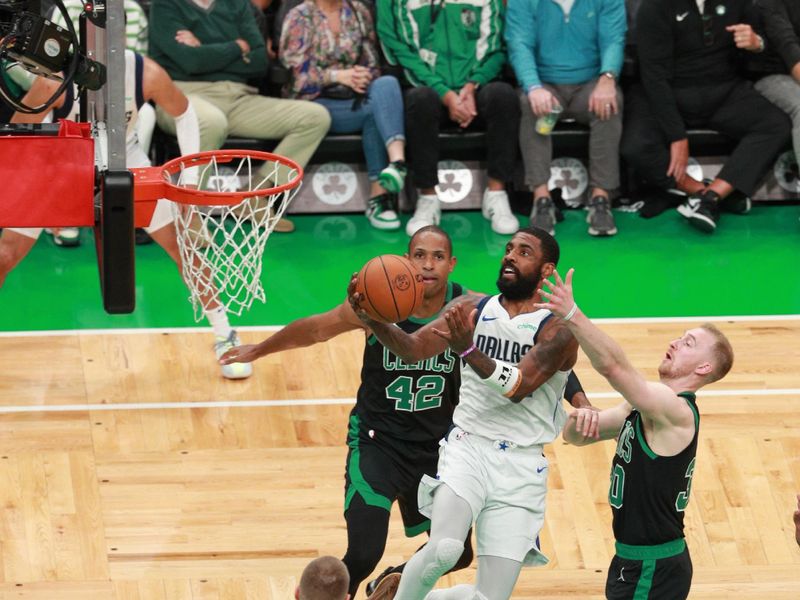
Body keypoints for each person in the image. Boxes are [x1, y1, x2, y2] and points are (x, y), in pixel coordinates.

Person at [347, 227, 581, 600]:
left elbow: (519, 386)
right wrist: (371, 316)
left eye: (524, 252)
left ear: (546, 269)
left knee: (488, 597)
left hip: (521, 467)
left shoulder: (560, 331)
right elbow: (411, 349)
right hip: (467, 446)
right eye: (508, 248)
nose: (509, 255)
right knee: (445, 548)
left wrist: (468, 350)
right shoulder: (471, 310)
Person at [2, 51, 254, 380]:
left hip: (128, 162)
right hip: (62, 163)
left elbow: (185, 113)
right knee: (5, 254)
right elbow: (17, 134)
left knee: (185, 249)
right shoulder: (54, 80)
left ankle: (225, 334)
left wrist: (189, 181)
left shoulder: (145, 72)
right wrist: (43, 191)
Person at [537, 269, 734, 599]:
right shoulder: (641, 408)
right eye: (680, 336)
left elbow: (614, 367)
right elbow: (578, 436)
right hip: (633, 561)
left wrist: (572, 315)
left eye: (689, 343)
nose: (675, 342)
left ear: (703, 368)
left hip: (653, 567)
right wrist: (580, 418)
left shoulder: (676, 411)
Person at [148, 0, 332, 233]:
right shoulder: (166, 5)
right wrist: (238, 47)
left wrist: (202, 47)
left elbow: (258, 63)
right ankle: (190, 212)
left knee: (315, 117)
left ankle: (253, 197)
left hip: (239, 96)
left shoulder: (238, 5)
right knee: (210, 121)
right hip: (184, 95)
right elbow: (189, 62)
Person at [620, 0, 791, 233]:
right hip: (667, 92)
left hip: (722, 89)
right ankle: (702, 192)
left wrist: (757, 43)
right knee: (635, 146)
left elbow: (767, 42)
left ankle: (712, 197)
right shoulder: (656, 6)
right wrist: (677, 136)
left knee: (775, 125)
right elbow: (654, 76)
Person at [376, 0, 521, 237]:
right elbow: (404, 52)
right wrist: (445, 93)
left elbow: (497, 48)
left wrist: (472, 85)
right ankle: (427, 198)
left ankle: (496, 194)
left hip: (473, 88)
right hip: (430, 87)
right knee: (420, 100)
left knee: (503, 96)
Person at [280, 0, 408, 230]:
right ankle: (382, 195)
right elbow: (296, 77)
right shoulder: (300, 16)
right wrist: (337, 76)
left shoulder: (359, 12)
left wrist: (362, 75)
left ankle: (396, 166)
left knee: (386, 85)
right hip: (313, 106)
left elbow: (372, 63)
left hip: (352, 99)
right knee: (376, 111)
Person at [506, 0, 626, 237]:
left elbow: (614, 38)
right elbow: (519, 43)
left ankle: (600, 197)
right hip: (546, 87)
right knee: (531, 107)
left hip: (590, 84)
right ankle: (541, 199)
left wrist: (608, 77)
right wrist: (533, 86)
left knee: (611, 103)